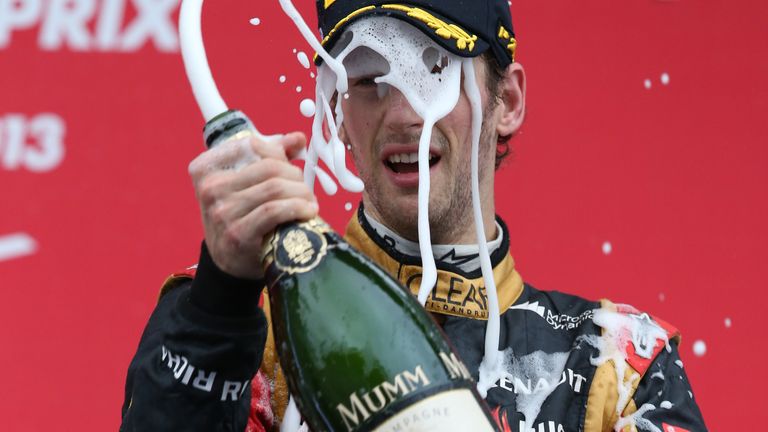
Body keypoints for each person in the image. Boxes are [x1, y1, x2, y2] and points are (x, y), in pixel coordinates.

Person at [120, 1, 708, 431]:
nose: (402, 113)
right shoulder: (245, 325)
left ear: (506, 101)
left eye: (434, 69)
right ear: (335, 111)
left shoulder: (615, 363)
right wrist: (221, 299)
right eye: (369, 78)